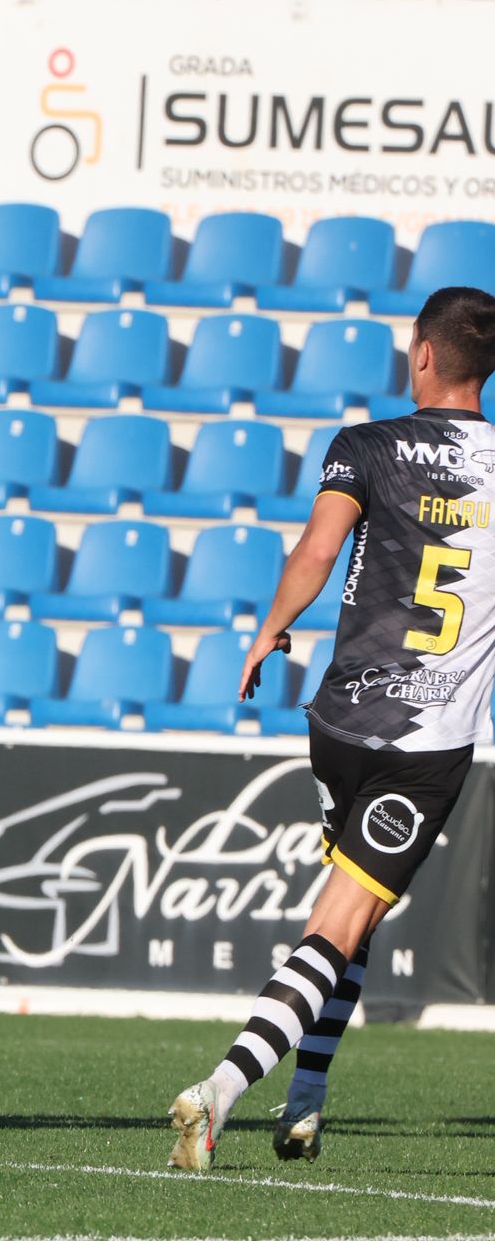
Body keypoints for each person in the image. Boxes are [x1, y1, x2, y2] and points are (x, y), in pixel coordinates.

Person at [167, 286, 495, 1172]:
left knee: (356, 913)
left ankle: (306, 1100)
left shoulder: (366, 445)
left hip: (341, 723)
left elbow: (318, 550)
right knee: (345, 921)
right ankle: (224, 1090)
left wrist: (271, 627)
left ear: (422, 353)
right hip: (425, 748)